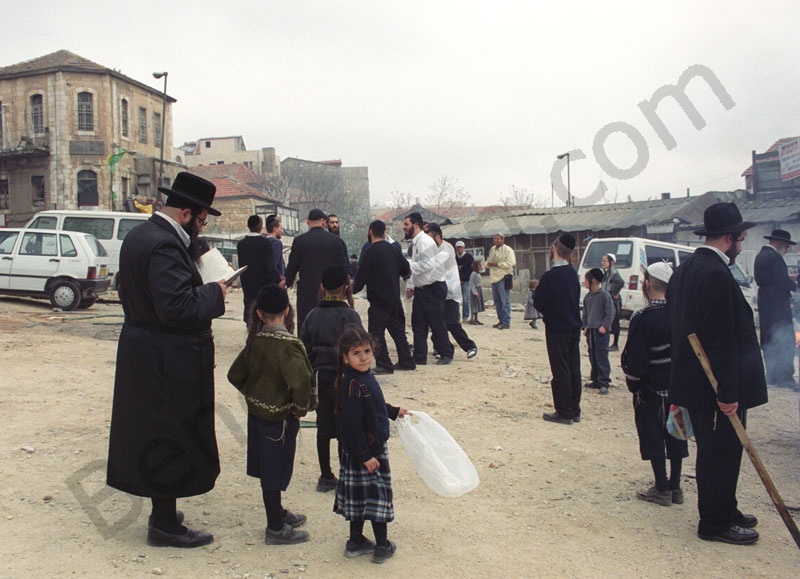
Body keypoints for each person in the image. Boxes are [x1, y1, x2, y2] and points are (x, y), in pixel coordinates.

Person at [107, 172, 227, 548]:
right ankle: (163, 524)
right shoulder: (163, 246)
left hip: (148, 350)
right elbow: (176, 306)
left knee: (158, 432)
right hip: (165, 357)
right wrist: (215, 292)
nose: (201, 227)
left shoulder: (142, 235)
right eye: (202, 220)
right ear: (187, 213)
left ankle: (164, 508)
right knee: (170, 434)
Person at [667, 202, 767, 545]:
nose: (741, 244)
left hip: (697, 384)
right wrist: (728, 392)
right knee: (718, 452)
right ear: (729, 238)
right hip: (714, 386)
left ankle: (726, 506)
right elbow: (721, 339)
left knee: (723, 450)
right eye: (740, 238)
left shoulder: (686, 269)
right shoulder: (713, 273)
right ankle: (714, 522)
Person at [227, 284, 316, 545]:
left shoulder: (255, 341)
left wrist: (253, 393)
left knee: (268, 468)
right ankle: (275, 528)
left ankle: (277, 512)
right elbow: (301, 384)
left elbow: (235, 375)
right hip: (280, 421)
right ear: (287, 311)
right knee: (275, 471)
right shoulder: (289, 346)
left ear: (260, 314)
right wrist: (299, 410)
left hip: (257, 416)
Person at [334, 325, 409, 564]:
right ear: (345, 358)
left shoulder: (366, 377)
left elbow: (376, 407)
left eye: (367, 351)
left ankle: (356, 541)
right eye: (357, 353)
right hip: (366, 453)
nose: (364, 357)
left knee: (360, 498)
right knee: (375, 498)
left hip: (366, 451)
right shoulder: (353, 384)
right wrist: (365, 455)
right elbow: (352, 425)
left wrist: (394, 412)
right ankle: (382, 546)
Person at [622, 262, 689, 507]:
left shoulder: (643, 317)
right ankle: (676, 486)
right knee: (677, 434)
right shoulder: (680, 313)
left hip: (651, 391)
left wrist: (634, 383)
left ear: (647, 284)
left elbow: (637, 359)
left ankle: (661, 487)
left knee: (653, 436)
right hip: (679, 388)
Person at [300, 265, 364, 492]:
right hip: (346, 378)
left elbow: (304, 352)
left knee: (323, 426)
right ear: (346, 287)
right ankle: (346, 475)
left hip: (321, 377)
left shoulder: (312, 316)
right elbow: (359, 350)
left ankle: (325, 475)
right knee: (345, 426)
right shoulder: (351, 315)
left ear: (321, 287)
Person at [353, 220, 416, 373]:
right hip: (394, 298)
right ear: (384, 231)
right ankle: (406, 361)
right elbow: (406, 270)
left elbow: (361, 279)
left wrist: (351, 289)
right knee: (397, 331)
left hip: (378, 299)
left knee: (375, 333)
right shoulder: (394, 249)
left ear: (370, 231)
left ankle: (384, 364)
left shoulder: (370, 252)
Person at [534, 233, 582, 425]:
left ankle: (564, 412)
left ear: (553, 249)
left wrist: (548, 311)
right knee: (573, 367)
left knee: (560, 369)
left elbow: (538, 302)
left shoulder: (550, 277)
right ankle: (574, 408)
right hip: (573, 326)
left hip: (556, 328)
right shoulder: (572, 274)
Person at [285, 208, 350, 331]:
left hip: (307, 292)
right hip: (331, 291)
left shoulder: (299, 241)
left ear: (308, 221)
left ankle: (306, 349)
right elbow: (343, 267)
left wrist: (287, 283)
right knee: (331, 326)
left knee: (306, 325)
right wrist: (345, 288)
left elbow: (292, 266)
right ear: (324, 223)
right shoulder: (336, 241)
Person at [403, 212, 454, 365]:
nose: (404, 228)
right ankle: (419, 356)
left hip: (433, 287)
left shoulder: (424, 241)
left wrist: (408, 266)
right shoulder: (416, 242)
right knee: (418, 323)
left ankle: (446, 353)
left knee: (436, 323)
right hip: (422, 288)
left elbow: (428, 264)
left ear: (415, 225)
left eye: (406, 224)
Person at [754, 229, 798, 390]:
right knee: (785, 339)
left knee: (769, 340)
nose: (786, 250)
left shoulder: (761, 255)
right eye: (786, 246)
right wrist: (794, 284)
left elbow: (769, 278)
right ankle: (785, 377)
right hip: (778, 305)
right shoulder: (774, 257)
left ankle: (771, 375)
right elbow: (781, 281)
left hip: (766, 304)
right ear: (780, 244)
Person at [428, 223, 478, 359]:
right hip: (439, 292)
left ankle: (470, 346)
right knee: (437, 323)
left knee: (451, 323)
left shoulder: (446, 249)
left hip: (450, 292)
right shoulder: (433, 249)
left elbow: (434, 266)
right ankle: (441, 348)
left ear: (437, 237)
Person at [237, 214, 281, 323]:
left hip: (247, 287)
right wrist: (278, 280)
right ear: (261, 226)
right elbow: (270, 267)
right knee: (262, 320)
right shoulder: (265, 243)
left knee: (250, 320)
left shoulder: (241, 244)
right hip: (263, 288)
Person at [582, 268, 615, 395]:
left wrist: (605, 326)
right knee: (592, 355)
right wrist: (585, 326)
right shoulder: (587, 297)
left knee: (601, 356)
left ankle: (604, 381)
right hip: (591, 331)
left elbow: (610, 313)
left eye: (586, 279)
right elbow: (585, 313)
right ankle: (595, 379)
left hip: (601, 332)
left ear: (593, 280)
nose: (584, 282)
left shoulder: (604, 296)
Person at [485, 232, 516, 329]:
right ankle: (500, 320)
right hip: (494, 277)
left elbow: (511, 262)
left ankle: (506, 322)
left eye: (498, 239)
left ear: (503, 240)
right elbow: (488, 261)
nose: (496, 240)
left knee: (505, 300)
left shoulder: (507, 250)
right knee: (497, 301)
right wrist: (488, 264)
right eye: (494, 239)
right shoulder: (492, 250)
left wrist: (498, 264)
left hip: (503, 276)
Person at [601, 253, 625, 351]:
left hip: (613, 301)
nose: (603, 263)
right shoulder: (607, 273)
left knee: (615, 321)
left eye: (605, 261)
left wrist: (614, 292)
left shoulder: (614, 272)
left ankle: (615, 344)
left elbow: (621, 282)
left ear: (611, 262)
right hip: (607, 299)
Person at [455, 240, 474, 321]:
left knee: (465, 299)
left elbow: (472, 269)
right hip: (456, 281)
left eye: (460, 247)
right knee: (456, 300)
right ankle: (457, 317)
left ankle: (465, 316)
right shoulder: (454, 257)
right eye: (458, 247)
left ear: (464, 248)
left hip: (466, 281)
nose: (459, 249)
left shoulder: (469, 257)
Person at [265, 214, 286, 282]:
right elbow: (274, 265)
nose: (282, 231)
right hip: (276, 282)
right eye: (281, 228)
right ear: (275, 229)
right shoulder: (276, 243)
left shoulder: (263, 241)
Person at [469, 260, 485, 325]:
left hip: (479, 289)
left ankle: (476, 318)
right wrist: (474, 291)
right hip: (475, 290)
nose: (481, 266)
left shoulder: (478, 273)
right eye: (479, 265)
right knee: (474, 305)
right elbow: (472, 284)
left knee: (477, 305)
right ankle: (472, 319)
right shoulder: (473, 274)